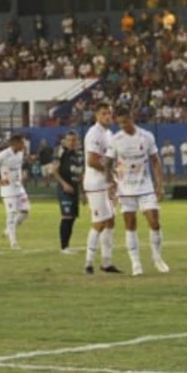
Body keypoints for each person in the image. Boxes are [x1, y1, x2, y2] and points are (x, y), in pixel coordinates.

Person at [106, 106, 170, 276]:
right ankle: (136, 263)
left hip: (145, 187)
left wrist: (160, 184)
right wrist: (109, 184)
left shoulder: (146, 136)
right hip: (125, 189)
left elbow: (155, 161)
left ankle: (157, 258)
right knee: (130, 225)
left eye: (125, 122)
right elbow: (108, 163)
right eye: (119, 123)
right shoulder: (115, 139)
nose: (123, 126)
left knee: (154, 222)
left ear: (132, 117)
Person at [82, 102, 121, 275]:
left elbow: (109, 158)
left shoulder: (109, 133)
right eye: (104, 113)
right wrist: (110, 174)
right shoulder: (94, 133)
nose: (108, 117)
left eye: (110, 114)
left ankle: (106, 262)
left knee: (110, 220)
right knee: (99, 222)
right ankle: (88, 262)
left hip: (106, 183)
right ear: (97, 115)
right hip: (96, 183)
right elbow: (91, 161)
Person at [0, 135, 30, 250]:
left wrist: (21, 176)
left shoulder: (21, 153)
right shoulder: (4, 154)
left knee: (25, 212)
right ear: (14, 143)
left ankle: (8, 230)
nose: (23, 145)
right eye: (21, 143)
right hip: (8, 189)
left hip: (19, 187)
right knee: (11, 215)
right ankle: (13, 243)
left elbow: (18, 166)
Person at [52, 131, 84, 254]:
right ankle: (63, 247)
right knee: (67, 216)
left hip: (75, 188)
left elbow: (80, 174)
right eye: (70, 140)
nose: (72, 143)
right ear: (65, 141)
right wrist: (64, 184)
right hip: (64, 189)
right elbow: (54, 170)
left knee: (72, 218)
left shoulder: (78, 154)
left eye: (74, 140)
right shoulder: (61, 152)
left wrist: (82, 192)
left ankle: (67, 246)